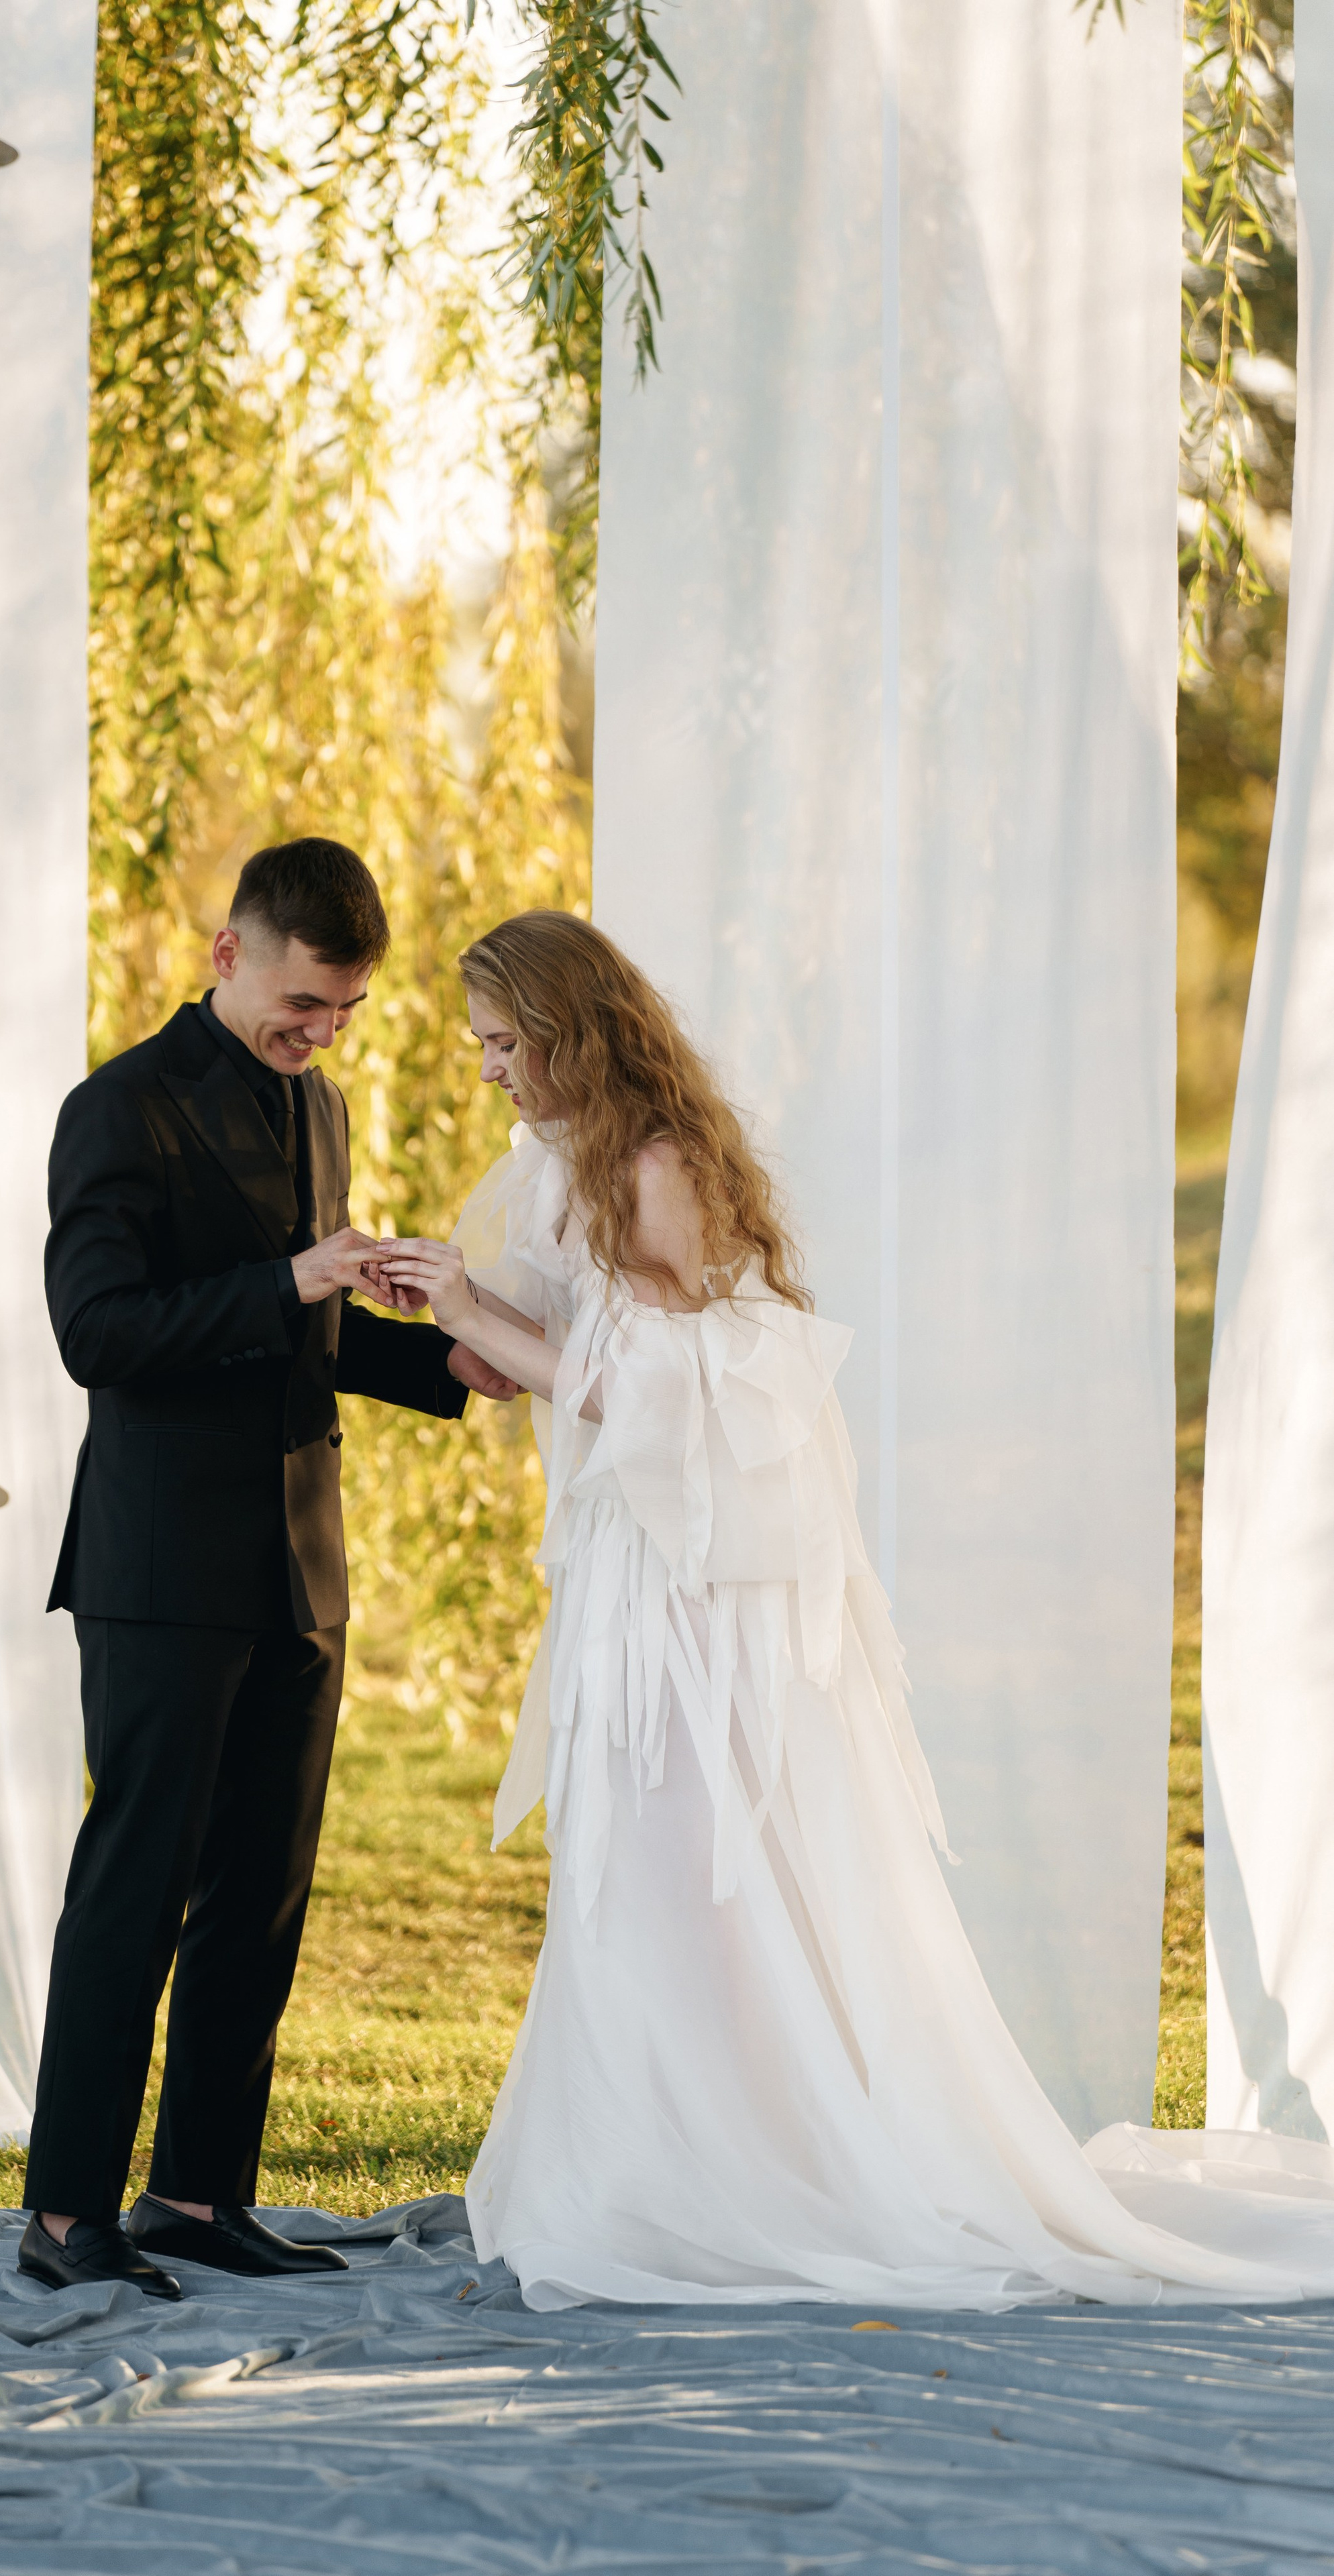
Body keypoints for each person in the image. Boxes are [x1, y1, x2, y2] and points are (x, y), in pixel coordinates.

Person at [379, 909, 1334, 2311]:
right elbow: (534, 1356)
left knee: (696, 1873)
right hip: (624, 1573)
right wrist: (434, 1298)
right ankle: (659, 2156)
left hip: (702, 1587)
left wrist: (480, 1310)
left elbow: (653, 1394)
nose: (488, 1074)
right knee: (628, 1868)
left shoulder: (656, 1169)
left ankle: (755, 2162)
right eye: (479, 1050)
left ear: (570, 1031)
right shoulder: (554, 1170)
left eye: (504, 1045)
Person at [17, 839, 517, 2300]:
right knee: (135, 1888)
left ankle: (192, 2196)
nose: (318, 1037)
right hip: (161, 1566)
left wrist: (446, 1363)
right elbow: (99, 1334)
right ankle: (62, 2219)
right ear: (227, 950)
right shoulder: (116, 1109)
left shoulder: (320, 1106)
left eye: (342, 1016)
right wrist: (290, 1278)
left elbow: (296, 1331)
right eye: (302, 1006)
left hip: (300, 1562)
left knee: (262, 1894)